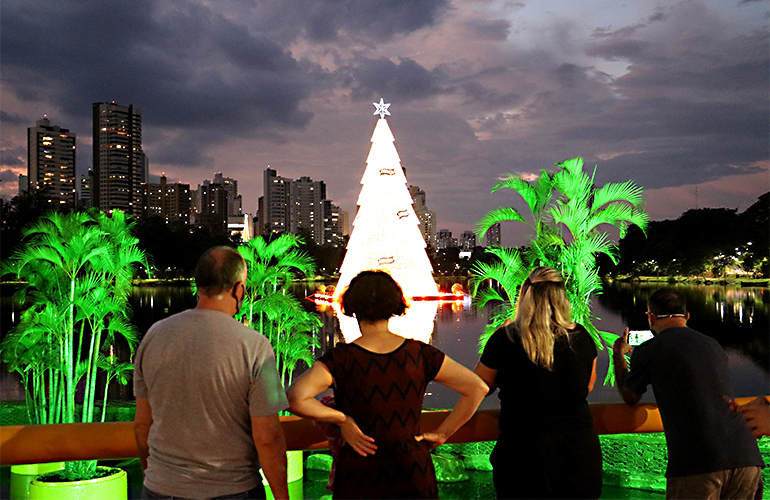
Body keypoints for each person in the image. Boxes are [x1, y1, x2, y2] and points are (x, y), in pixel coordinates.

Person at [286, 270, 488, 499]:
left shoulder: (341, 359)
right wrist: (443, 433)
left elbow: (295, 398)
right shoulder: (420, 354)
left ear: (350, 307)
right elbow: (477, 388)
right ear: (395, 305)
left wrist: (342, 419)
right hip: (413, 471)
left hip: (360, 473)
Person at [134, 246, 290, 500]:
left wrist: (152, 475)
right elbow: (268, 438)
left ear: (200, 285)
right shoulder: (252, 345)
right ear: (238, 289)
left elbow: (142, 425)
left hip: (160, 489)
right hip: (232, 489)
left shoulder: (155, 335)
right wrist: (282, 497)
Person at [613, 288, 764, 499]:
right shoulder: (712, 344)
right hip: (746, 455)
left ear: (651, 317)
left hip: (699, 460)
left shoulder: (651, 349)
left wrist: (618, 356)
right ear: (687, 316)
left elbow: (630, 396)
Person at [473, 266, 603, 499]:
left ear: (524, 296)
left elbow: (480, 385)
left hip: (524, 449)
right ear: (563, 298)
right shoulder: (581, 337)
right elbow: (587, 385)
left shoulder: (507, 337)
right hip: (578, 450)